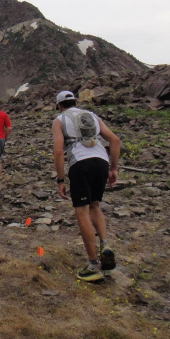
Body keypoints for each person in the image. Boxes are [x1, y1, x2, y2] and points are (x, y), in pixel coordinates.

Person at [52, 90, 121, 282]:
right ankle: (105, 245)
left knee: (81, 211)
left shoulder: (59, 120)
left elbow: (59, 151)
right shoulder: (91, 115)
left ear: (59, 105)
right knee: (95, 205)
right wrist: (113, 169)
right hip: (101, 161)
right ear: (75, 102)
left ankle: (92, 265)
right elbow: (115, 140)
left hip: (80, 163)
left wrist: (60, 179)